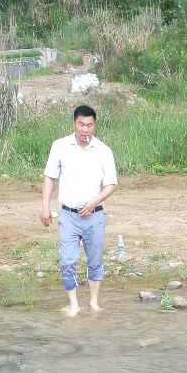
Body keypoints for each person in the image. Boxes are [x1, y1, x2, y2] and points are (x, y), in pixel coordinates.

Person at [40, 105, 118, 317]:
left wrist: (94, 202)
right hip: (68, 215)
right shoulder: (60, 146)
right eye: (81, 124)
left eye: (89, 125)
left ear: (94, 125)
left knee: (95, 259)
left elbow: (111, 183)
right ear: (74, 124)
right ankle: (74, 304)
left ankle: (93, 303)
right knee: (66, 260)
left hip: (95, 215)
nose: (85, 129)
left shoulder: (103, 150)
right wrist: (45, 206)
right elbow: (50, 176)